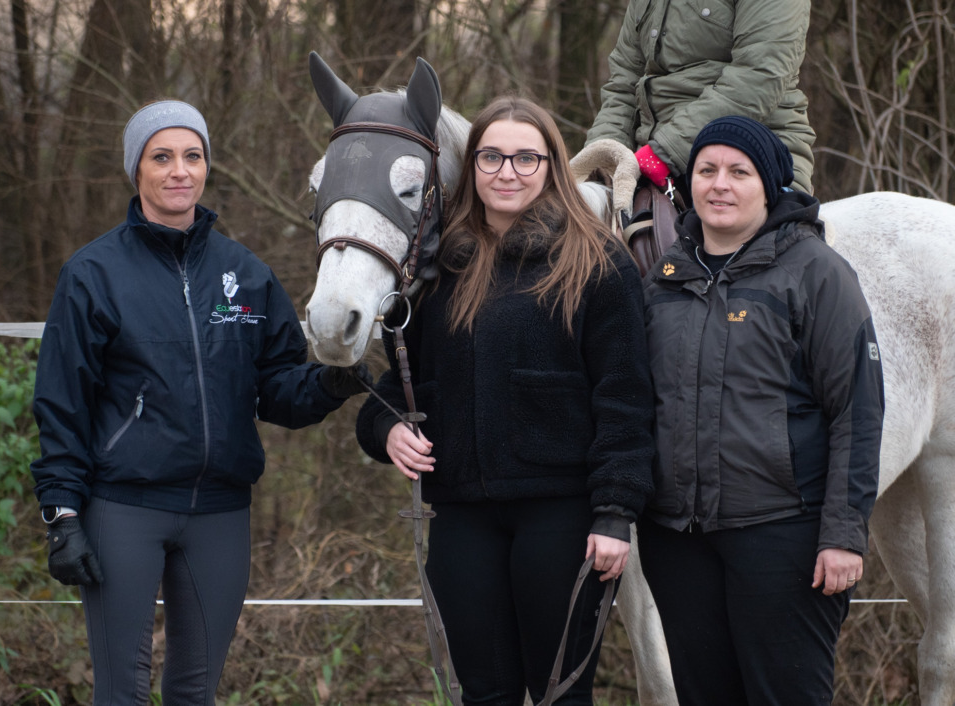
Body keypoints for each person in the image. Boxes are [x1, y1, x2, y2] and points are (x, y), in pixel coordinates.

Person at [30, 99, 370, 705]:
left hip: (220, 514)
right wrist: (62, 514)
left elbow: (279, 392)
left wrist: (330, 383)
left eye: (192, 156)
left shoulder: (247, 273)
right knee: (121, 691)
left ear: (207, 166)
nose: (179, 171)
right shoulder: (92, 274)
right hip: (123, 508)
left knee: (196, 690)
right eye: (161, 157)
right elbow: (62, 403)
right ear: (137, 169)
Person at [355, 96, 655, 704]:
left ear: (550, 165)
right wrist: (384, 429)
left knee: (558, 693)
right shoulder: (436, 272)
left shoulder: (596, 264)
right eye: (491, 156)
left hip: (563, 518)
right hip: (462, 517)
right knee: (481, 694)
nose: (507, 171)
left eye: (525, 157)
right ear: (472, 168)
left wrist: (615, 513)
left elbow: (625, 400)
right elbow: (402, 387)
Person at [637, 115, 884, 705]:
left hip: (784, 538)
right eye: (706, 170)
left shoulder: (816, 272)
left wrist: (844, 535)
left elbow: (858, 408)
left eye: (738, 172)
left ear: (769, 184)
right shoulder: (664, 278)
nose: (720, 184)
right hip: (678, 541)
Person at [583, 0, 816, 197]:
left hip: (753, 155)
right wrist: (604, 158)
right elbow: (623, 85)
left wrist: (664, 153)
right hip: (647, 160)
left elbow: (758, 78)